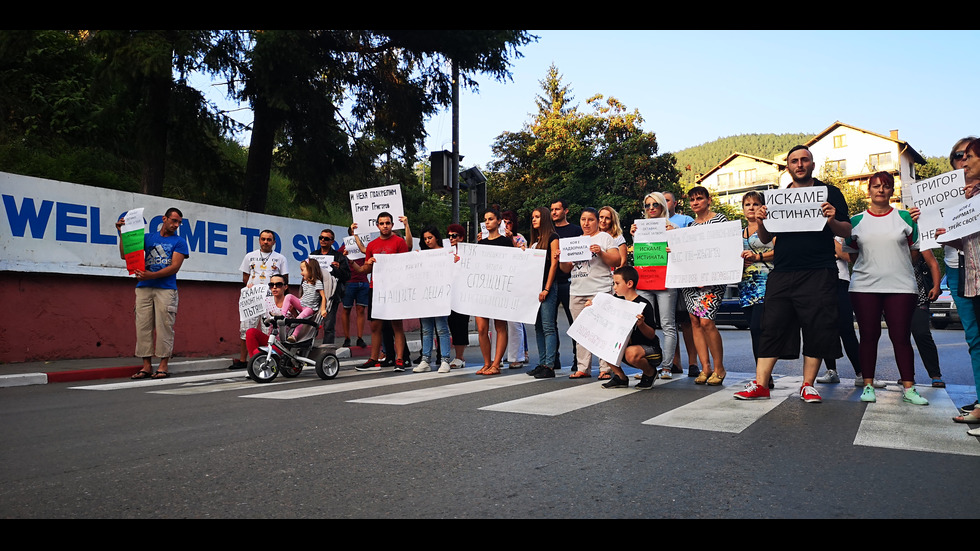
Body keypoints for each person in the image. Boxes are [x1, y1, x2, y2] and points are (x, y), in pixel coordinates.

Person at [734, 145, 852, 403]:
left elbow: (846, 231)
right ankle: (761, 384)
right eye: (794, 161)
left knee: (817, 326)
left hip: (819, 270)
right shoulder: (779, 196)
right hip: (784, 271)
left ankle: (808, 385)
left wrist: (831, 219)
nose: (799, 165)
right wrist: (763, 221)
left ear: (812, 164)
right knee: (771, 326)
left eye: (804, 160)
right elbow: (766, 238)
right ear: (788, 167)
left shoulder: (829, 193)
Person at [841, 171, 927, 405]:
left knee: (901, 337)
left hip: (901, 286)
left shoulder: (906, 218)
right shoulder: (855, 221)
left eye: (886, 186)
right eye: (876, 186)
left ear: (892, 190)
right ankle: (868, 385)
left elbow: (915, 254)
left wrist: (894, 267)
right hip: (864, 286)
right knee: (868, 336)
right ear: (868, 190)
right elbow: (851, 254)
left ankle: (909, 388)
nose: (881, 190)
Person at [936, 138, 980, 427]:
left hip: (973, 268)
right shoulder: (950, 193)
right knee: (974, 339)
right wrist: (924, 223)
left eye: (967, 155)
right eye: (956, 155)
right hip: (957, 270)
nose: (961, 160)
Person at [117, 207, 189, 379]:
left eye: (179, 222)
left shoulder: (179, 242)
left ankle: (163, 365)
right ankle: (146, 366)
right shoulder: (148, 238)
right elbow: (125, 254)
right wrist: (123, 233)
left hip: (166, 288)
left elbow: (174, 267)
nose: (176, 225)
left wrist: (151, 275)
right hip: (144, 288)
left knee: (165, 326)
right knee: (143, 326)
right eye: (174, 220)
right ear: (164, 219)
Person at [560, 207, 621, 378]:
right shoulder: (575, 241)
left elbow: (616, 260)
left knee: (602, 329)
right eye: (583, 219)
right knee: (581, 330)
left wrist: (600, 252)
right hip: (577, 289)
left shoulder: (604, 237)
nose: (586, 223)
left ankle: (605, 369)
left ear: (597, 221)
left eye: (590, 220)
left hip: (599, 289)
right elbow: (565, 269)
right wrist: (562, 258)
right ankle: (583, 367)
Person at [350, 212, 410, 372]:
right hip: (375, 288)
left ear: (392, 225)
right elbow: (366, 269)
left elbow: (406, 263)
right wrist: (362, 264)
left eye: (388, 223)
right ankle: (373, 359)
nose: (385, 226)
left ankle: (399, 359)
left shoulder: (399, 242)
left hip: (394, 288)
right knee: (376, 326)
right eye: (382, 223)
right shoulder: (372, 245)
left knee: (397, 325)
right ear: (377, 225)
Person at [628, 192, 678, 380]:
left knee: (667, 324)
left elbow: (679, 254)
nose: (651, 209)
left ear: (663, 207)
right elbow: (640, 254)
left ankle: (666, 367)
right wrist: (634, 235)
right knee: (644, 323)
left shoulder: (672, 227)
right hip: (645, 280)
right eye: (647, 205)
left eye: (655, 205)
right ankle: (648, 368)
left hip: (665, 281)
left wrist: (673, 242)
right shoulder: (639, 228)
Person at [682, 186, 728, 386]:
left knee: (707, 322)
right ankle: (705, 367)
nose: (695, 202)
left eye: (699, 198)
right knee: (694, 321)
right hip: (692, 281)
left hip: (713, 280)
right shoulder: (690, 227)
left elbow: (724, 249)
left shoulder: (720, 220)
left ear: (708, 200)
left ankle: (719, 368)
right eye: (692, 199)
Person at [591, 266, 663, 390]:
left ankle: (650, 373)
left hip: (649, 350)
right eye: (614, 283)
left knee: (631, 353)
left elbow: (651, 335)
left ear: (629, 283)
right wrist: (593, 307)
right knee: (601, 343)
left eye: (617, 283)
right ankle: (620, 377)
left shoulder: (643, 304)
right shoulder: (616, 302)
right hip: (625, 346)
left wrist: (641, 324)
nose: (614, 287)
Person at [232, 229, 288, 370]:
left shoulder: (280, 258)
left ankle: (264, 358)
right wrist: (250, 286)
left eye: (269, 240)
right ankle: (243, 360)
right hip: (252, 298)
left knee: (267, 330)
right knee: (246, 329)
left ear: (274, 242)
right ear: (259, 240)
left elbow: (284, 279)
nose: (266, 242)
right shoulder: (250, 256)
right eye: (263, 239)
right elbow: (245, 277)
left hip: (270, 298)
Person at [815, 237, 868, 386]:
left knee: (846, 328)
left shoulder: (841, 232)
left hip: (840, 281)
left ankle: (861, 372)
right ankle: (831, 370)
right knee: (824, 328)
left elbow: (847, 256)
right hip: (818, 282)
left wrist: (832, 244)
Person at [474, 208, 514, 375]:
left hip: (499, 289)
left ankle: (496, 364)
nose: (487, 222)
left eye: (491, 219)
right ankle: (486, 362)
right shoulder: (481, 243)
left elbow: (512, 264)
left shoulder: (506, 242)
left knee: (499, 326)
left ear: (499, 221)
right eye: (485, 219)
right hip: (483, 290)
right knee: (482, 328)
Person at [664, 190, 698, 376]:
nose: (663, 203)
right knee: (670, 323)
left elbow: (693, 242)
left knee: (686, 322)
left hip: (682, 275)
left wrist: (676, 233)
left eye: (667, 200)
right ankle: (675, 362)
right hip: (662, 278)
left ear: (674, 203)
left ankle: (693, 362)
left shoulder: (685, 220)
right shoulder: (649, 224)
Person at [525, 207, 561, 379]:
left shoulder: (553, 237)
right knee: (538, 327)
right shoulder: (534, 240)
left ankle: (549, 365)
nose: (534, 220)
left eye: (537, 217)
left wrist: (546, 288)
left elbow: (554, 265)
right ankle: (542, 362)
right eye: (533, 217)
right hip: (534, 288)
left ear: (545, 219)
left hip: (547, 287)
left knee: (548, 327)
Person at [738, 191, 774, 364]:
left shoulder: (770, 227)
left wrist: (758, 257)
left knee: (760, 328)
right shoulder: (739, 232)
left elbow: (779, 251)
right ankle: (761, 372)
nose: (751, 207)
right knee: (754, 330)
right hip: (746, 286)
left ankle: (765, 373)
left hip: (767, 283)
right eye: (747, 204)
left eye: (755, 204)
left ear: (762, 207)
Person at [414, 225, 452, 374]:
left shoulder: (444, 253)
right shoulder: (423, 254)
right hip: (425, 296)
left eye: (430, 237)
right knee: (426, 329)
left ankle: (445, 360)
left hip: (440, 295)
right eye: (425, 239)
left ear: (436, 237)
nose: (428, 241)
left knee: (442, 328)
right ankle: (425, 360)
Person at [551, 199, 583, 370]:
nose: (554, 212)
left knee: (575, 323)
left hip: (570, 282)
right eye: (552, 209)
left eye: (557, 209)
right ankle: (553, 359)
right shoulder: (549, 231)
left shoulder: (576, 231)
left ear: (566, 211)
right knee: (550, 323)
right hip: (551, 281)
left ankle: (578, 360)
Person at [910, 247, 944, 387]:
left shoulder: (918, 238)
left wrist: (936, 286)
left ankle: (935, 374)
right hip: (894, 294)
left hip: (919, 296)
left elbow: (933, 264)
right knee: (899, 337)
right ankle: (907, 375)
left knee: (922, 333)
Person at [244, 274, 299, 357]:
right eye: (271, 285)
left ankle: (256, 360)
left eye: (278, 285)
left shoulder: (291, 301)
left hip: (285, 344)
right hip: (271, 340)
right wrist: (251, 290)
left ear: (285, 287)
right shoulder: (266, 300)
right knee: (250, 332)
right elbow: (253, 303)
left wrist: (294, 312)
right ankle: (255, 362)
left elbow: (301, 322)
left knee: (257, 353)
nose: (274, 287)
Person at [312, 228, 350, 346]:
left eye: (326, 238)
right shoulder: (313, 255)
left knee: (328, 325)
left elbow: (347, 276)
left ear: (332, 241)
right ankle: (306, 350)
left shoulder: (339, 257)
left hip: (331, 294)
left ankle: (327, 351)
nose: (323, 240)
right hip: (315, 293)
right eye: (321, 238)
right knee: (310, 324)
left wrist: (338, 269)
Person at [502, 210, 529, 369]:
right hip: (500, 283)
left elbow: (522, 258)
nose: (506, 225)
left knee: (515, 321)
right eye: (503, 222)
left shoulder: (519, 238)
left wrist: (511, 239)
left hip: (515, 282)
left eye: (509, 222)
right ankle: (499, 356)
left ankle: (517, 356)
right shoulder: (495, 239)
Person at [282, 258, 327, 342]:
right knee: (288, 296)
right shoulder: (305, 283)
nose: (301, 273)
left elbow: (323, 297)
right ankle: (282, 315)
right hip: (302, 303)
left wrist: (323, 309)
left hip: (309, 308)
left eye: (302, 270)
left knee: (300, 318)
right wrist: (297, 301)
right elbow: (304, 295)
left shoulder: (317, 283)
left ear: (311, 270)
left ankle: (294, 335)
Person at [339, 227, 368, 349]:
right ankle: (347, 338)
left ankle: (360, 338)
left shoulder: (366, 244)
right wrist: (344, 255)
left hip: (363, 281)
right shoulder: (345, 245)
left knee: (361, 310)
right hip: (349, 281)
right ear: (350, 233)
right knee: (346, 309)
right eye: (354, 231)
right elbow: (337, 258)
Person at [446, 223, 470, 369]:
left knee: (460, 324)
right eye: (449, 236)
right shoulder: (446, 252)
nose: (451, 238)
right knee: (451, 324)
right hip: (449, 294)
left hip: (463, 295)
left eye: (454, 236)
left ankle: (460, 356)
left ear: (461, 237)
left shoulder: (468, 252)